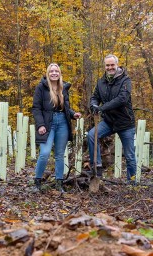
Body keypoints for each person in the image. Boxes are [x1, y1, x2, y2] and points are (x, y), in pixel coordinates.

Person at [31, 63, 81, 193]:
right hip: (47, 123)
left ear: (59, 73)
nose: (54, 73)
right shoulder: (41, 88)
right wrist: (40, 125)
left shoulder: (63, 88)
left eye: (56, 71)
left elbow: (66, 108)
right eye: (51, 71)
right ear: (48, 73)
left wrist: (73, 114)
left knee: (60, 155)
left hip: (63, 122)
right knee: (45, 153)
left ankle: (59, 183)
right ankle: (37, 182)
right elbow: (36, 108)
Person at [88, 54, 136, 183]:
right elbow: (95, 96)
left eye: (112, 65)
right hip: (109, 121)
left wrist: (102, 108)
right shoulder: (101, 82)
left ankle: (132, 182)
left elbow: (122, 99)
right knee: (92, 135)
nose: (110, 67)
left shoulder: (125, 80)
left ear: (117, 65)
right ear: (105, 66)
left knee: (130, 155)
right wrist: (93, 105)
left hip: (125, 122)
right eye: (107, 65)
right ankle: (97, 167)